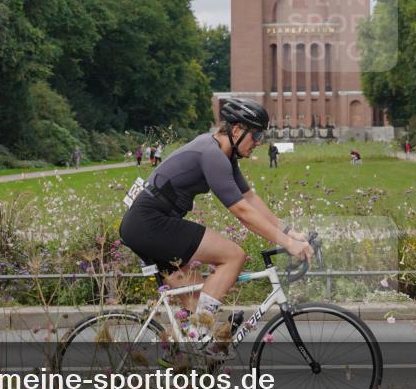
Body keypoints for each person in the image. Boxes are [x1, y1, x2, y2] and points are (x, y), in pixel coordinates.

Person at [118, 98, 313, 348]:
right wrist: (285, 242)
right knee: (233, 256)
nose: (259, 142)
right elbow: (242, 211)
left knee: (196, 301)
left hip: (144, 225)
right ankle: (201, 334)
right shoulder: (212, 155)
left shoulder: (223, 153)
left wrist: (289, 231)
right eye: (256, 135)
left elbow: (249, 198)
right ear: (236, 130)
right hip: (150, 223)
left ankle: (188, 363)